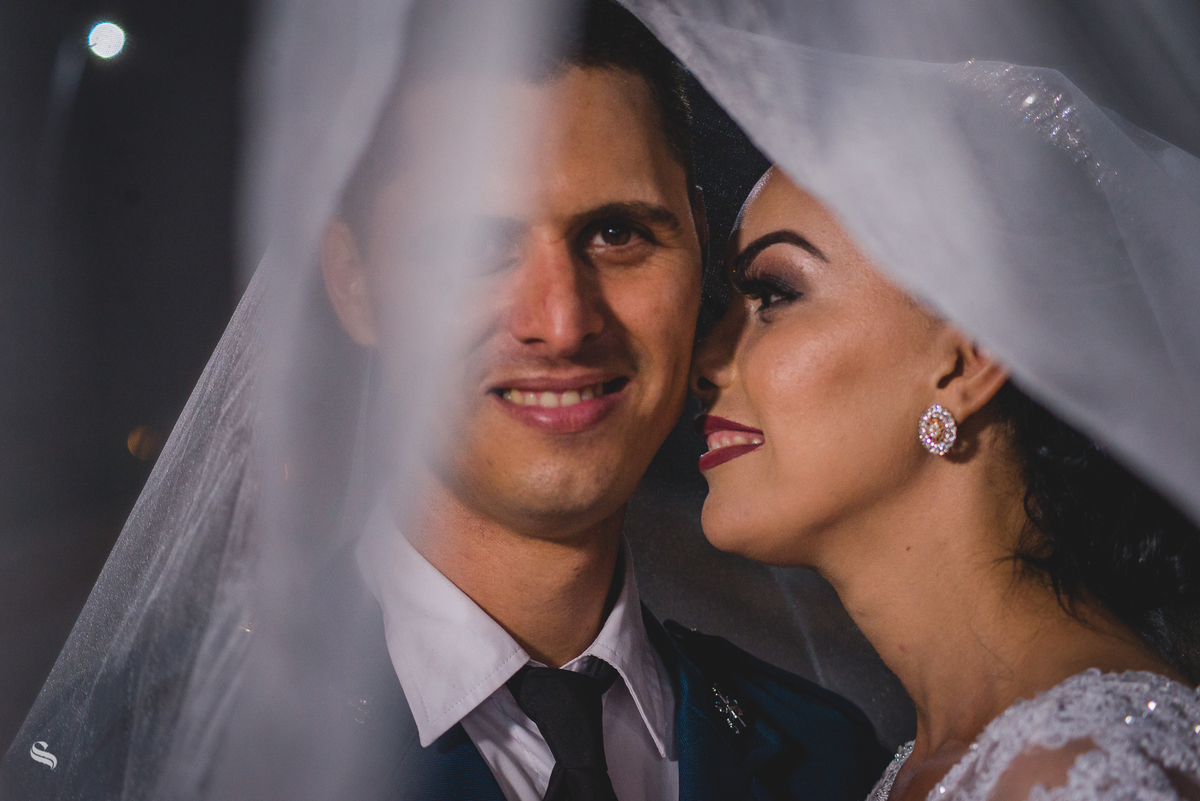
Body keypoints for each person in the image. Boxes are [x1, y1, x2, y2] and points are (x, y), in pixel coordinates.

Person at [1, 2, 888, 800]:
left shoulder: (825, 753)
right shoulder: (151, 755)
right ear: (354, 283)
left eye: (617, 233)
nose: (563, 321)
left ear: (699, 241)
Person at [690, 156, 1200, 801]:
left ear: (967, 361)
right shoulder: (928, 767)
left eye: (773, 296)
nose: (707, 360)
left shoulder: (1083, 772)